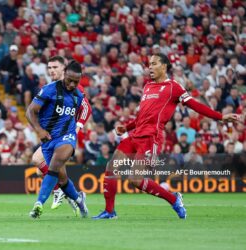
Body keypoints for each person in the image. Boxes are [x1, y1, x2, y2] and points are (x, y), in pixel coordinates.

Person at [92, 53, 243, 220]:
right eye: (149, 64)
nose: (150, 67)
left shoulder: (174, 87)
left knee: (135, 179)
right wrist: (126, 127)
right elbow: (143, 116)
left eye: (154, 63)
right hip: (135, 135)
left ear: (164, 66)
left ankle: (173, 198)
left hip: (151, 137)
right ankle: (110, 211)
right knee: (111, 168)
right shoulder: (148, 86)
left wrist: (220, 117)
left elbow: (195, 105)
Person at [26, 60, 88, 219]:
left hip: (67, 137)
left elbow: (85, 110)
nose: (72, 84)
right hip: (48, 139)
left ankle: (38, 204)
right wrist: (39, 130)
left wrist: (78, 126)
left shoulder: (78, 96)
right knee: (62, 178)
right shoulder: (48, 90)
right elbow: (30, 112)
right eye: (70, 80)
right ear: (64, 73)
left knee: (54, 164)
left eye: (76, 81)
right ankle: (79, 199)